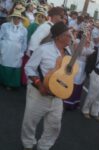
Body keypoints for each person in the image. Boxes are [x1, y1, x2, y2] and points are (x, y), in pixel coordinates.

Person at [21, 22, 71, 150]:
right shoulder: (43, 49)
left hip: (57, 97)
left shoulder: (68, 52)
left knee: (55, 126)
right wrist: (39, 84)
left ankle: (44, 146)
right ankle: (28, 143)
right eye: (67, 35)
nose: (70, 38)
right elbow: (29, 68)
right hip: (39, 93)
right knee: (30, 122)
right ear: (58, 37)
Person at [0, 10, 27, 88]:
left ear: (21, 19)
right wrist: (1, 47)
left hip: (17, 51)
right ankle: (3, 81)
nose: (16, 19)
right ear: (12, 18)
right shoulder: (5, 26)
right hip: (6, 49)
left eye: (18, 18)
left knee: (15, 65)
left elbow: (24, 42)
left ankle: (12, 84)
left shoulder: (24, 30)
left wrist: (22, 52)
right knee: (4, 63)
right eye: (15, 17)